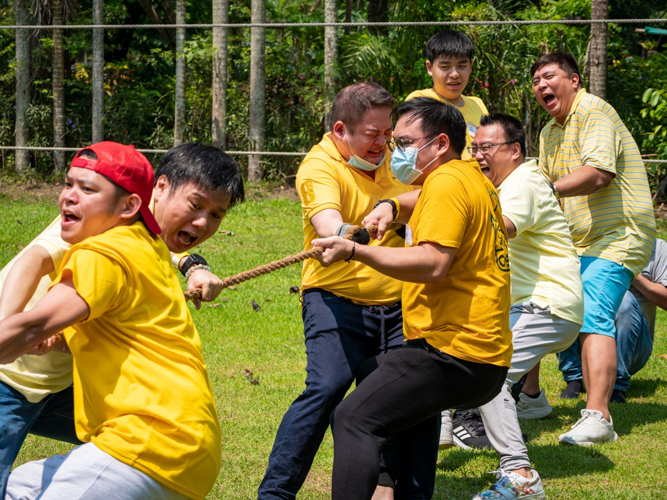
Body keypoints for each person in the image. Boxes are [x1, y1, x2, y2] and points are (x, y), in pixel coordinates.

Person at [0, 142, 244, 496]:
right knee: (21, 488)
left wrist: (193, 265)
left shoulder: (124, 247)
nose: (70, 197)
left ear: (131, 205)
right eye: (70, 185)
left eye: (216, 214)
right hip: (16, 379)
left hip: (145, 439)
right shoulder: (120, 240)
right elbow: (33, 262)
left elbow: (39, 326)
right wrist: (31, 331)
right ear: (155, 191)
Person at [313, 97, 512, 500]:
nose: (394, 152)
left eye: (403, 142)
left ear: (439, 143)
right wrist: (389, 205)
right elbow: (419, 202)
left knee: (353, 418)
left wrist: (356, 251)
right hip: (483, 357)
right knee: (376, 374)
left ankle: (383, 487)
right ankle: (390, 487)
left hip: (454, 353)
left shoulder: (445, 183)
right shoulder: (470, 177)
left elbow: (432, 263)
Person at [257, 82, 432, 500]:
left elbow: (434, 192)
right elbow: (327, 224)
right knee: (328, 387)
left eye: (387, 132)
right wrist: (351, 236)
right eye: (372, 133)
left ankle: (396, 488)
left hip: (398, 302)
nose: (382, 142)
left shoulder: (396, 158)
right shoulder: (319, 166)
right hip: (335, 300)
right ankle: (275, 495)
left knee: (412, 393)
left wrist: (396, 207)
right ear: (341, 130)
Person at [532, 52, 656, 445]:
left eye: (549, 76)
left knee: (594, 313)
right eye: (536, 81)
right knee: (544, 302)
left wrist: (544, 191)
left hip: (620, 235)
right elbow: (544, 186)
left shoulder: (594, 112)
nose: (541, 86)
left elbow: (598, 174)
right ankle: (533, 398)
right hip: (578, 241)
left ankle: (599, 415)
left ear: (574, 80)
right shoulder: (550, 131)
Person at [464, 113, 583, 499]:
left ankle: (520, 476)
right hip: (530, 305)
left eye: (487, 148)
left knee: (491, 378)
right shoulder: (507, 182)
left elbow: (501, 226)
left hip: (545, 303)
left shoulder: (522, 181)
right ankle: (454, 427)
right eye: (475, 148)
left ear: (514, 151)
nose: (479, 156)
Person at [559, 238, 667, 404]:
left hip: (634, 347)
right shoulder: (585, 238)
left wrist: (630, 272)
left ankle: (618, 383)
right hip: (585, 344)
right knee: (567, 294)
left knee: (621, 297)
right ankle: (574, 377)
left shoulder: (656, 247)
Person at [406, 30, 488, 160]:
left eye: (462, 66)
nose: (454, 74)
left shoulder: (478, 104)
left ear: (470, 66)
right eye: (445, 67)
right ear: (429, 67)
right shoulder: (420, 101)